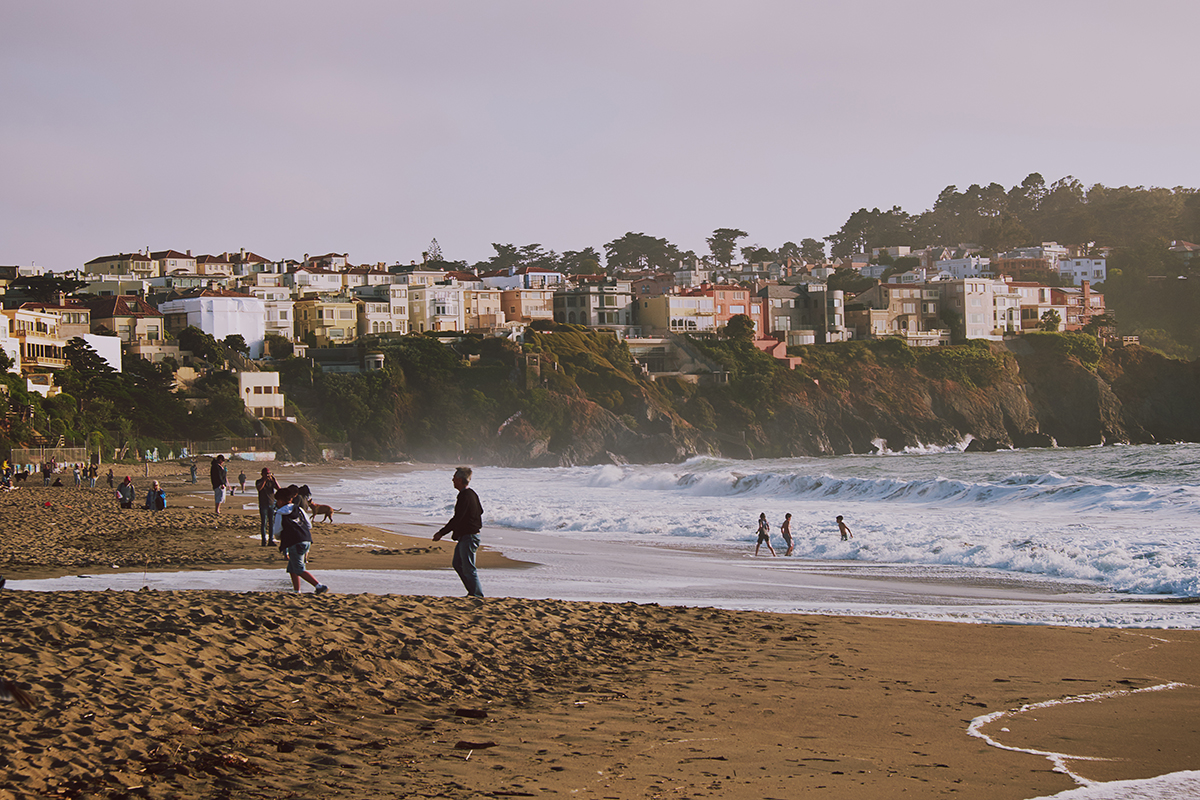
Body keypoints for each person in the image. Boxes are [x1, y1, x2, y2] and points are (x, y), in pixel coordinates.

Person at [432, 467, 484, 599]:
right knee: (458, 564)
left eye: (454, 478)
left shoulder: (466, 495)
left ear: (460, 480)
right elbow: (480, 511)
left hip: (470, 536)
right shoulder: (469, 494)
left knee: (468, 567)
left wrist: (441, 533)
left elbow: (457, 518)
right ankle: (472, 592)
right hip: (466, 535)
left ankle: (477, 594)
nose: (452, 480)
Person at [274, 485, 328, 594]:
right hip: (306, 539)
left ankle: (319, 586)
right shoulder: (299, 509)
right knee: (292, 568)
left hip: (295, 542)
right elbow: (309, 525)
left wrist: (280, 537)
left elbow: (277, 531)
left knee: (299, 569)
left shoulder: (280, 513)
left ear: (280, 501)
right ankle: (296, 590)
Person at [255, 467, 281, 547]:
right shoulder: (259, 481)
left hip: (271, 503)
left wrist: (274, 480)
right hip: (263, 504)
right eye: (266, 473)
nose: (267, 475)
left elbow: (279, 489)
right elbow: (259, 488)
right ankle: (263, 541)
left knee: (272, 523)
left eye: (268, 473)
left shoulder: (271, 482)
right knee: (264, 523)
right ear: (262, 474)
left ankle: (271, 540)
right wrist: (264, 480)